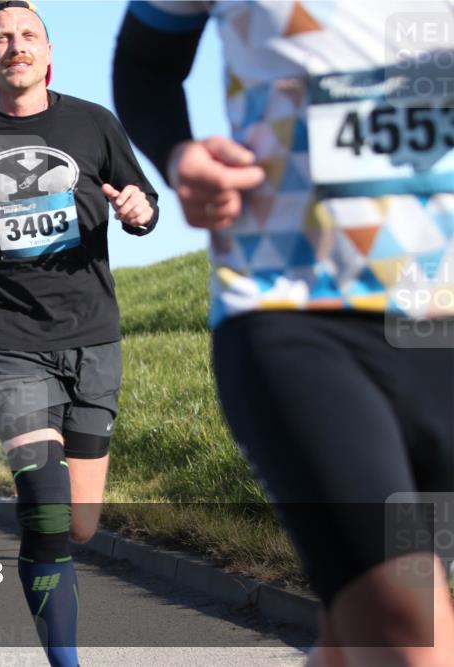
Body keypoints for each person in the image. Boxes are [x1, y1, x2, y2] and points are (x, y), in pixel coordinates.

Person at [113, 2, 454, 665]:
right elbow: (145, 61)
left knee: (354, 636)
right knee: (409, 624)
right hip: (289, 303)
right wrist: (179, 153)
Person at [0, 3, 158, 665]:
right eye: (0, 39)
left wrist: (138, 208)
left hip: (94, 337)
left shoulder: (93, 124)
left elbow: (144, 202)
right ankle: (65, 658)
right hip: (11, 339)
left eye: (26, 36)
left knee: (81, 521)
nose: (13, 46)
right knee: (46, 508)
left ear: (48, 54)